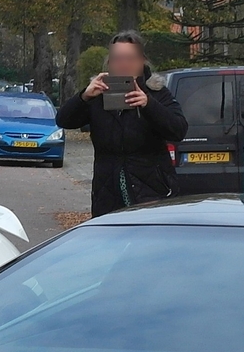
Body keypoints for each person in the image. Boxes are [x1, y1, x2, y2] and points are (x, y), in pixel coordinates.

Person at [58, 31, 186, 216]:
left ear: (142, 61)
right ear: (109, 63)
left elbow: (178, 130)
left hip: (151, 193)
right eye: (117, 59)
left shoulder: (157, 92)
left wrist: (148, 104)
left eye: (130, 58)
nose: (124, 64)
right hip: (107, 195)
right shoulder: (97, 94)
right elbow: (63, 120)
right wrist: (84, 96)